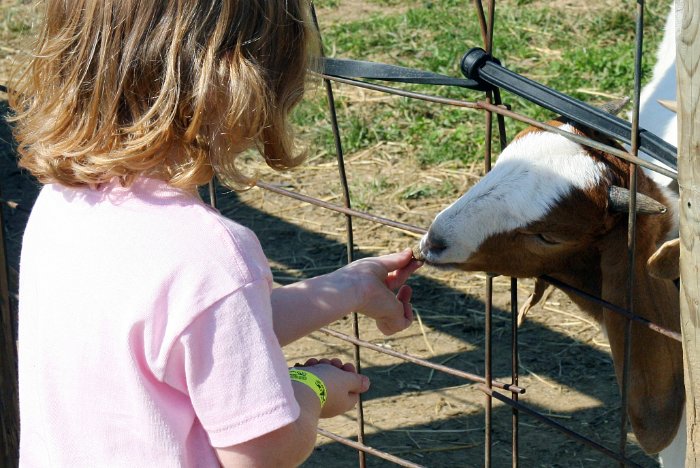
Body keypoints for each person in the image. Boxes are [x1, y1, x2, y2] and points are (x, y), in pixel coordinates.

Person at [9, 1, 422, 466]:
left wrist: (349, 288)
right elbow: (262, 454)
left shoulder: (64, 204)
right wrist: (310, 390)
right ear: (246, 81)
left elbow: (203, 333)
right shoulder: (209, 254)